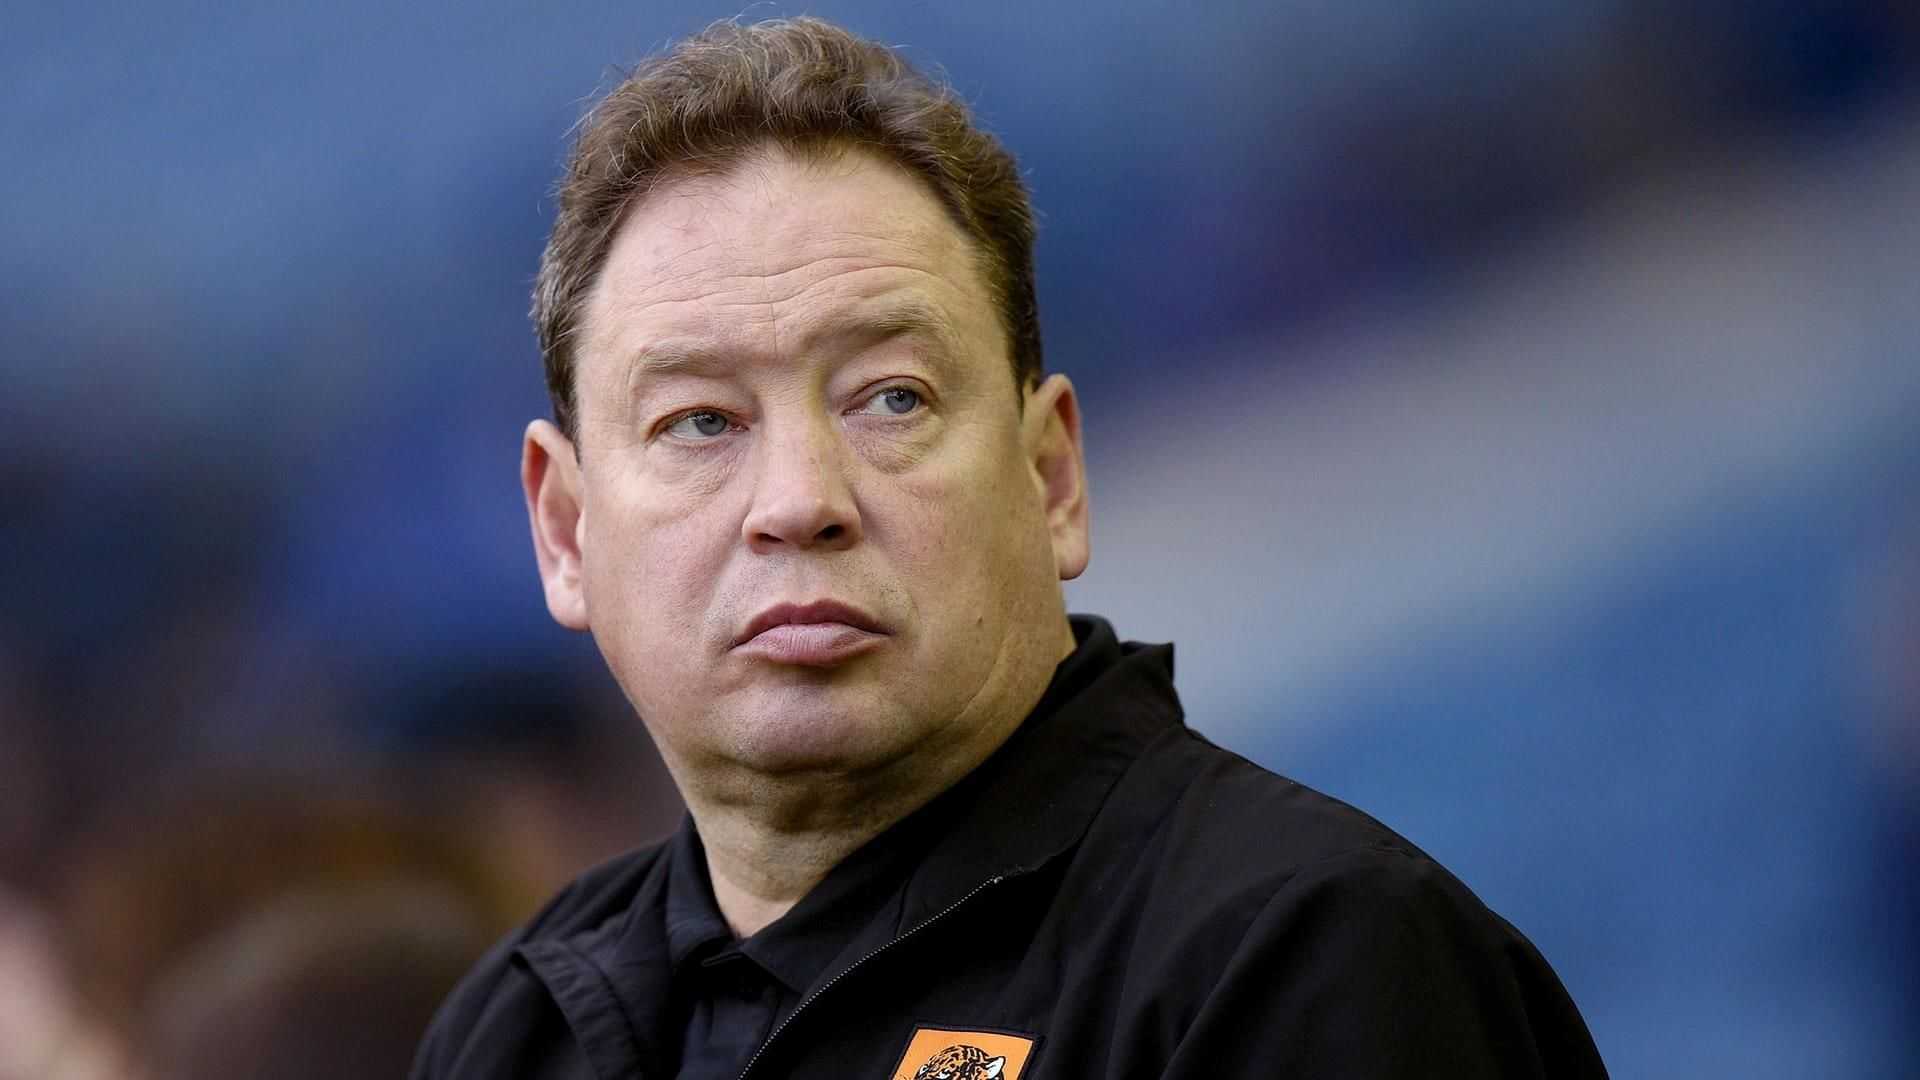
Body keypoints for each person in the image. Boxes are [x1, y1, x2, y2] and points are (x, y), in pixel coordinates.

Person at [412, 17, 1608, 1079]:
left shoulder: (1309, 959)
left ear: (1051, 478)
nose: (799, 500)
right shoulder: (509, 1036)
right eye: (700, 422)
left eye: (891, 398)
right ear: (565, 532)